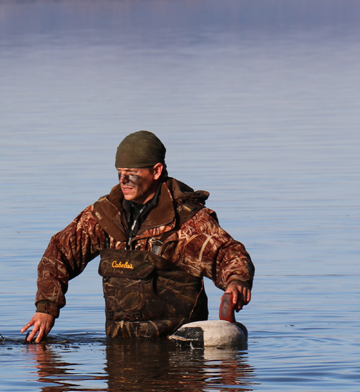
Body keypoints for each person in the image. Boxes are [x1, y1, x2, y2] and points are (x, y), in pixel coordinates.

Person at [22, 131, 253, 342]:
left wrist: (236, 282)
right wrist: (46, 308)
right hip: (120, 356)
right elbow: (58, 254)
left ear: (156, 171)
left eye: (131, 174)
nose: (123, 181)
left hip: (178, 359)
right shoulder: (104, 215)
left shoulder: (186, 222)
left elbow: (229, 254)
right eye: (120, 173)